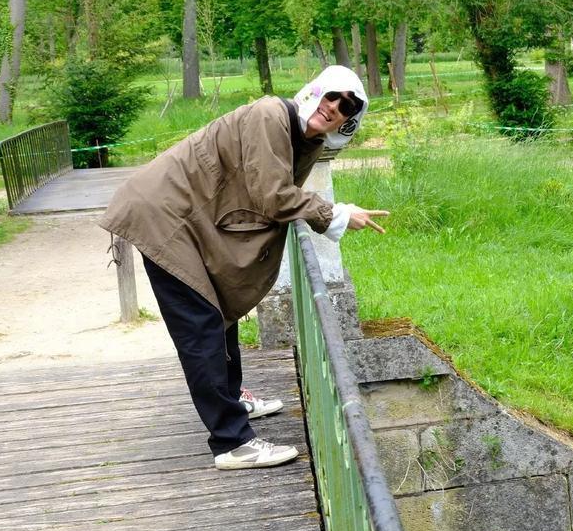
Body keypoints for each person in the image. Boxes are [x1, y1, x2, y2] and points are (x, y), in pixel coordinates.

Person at [100, 66, 388, 470]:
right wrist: (334, 214)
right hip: (164, 217)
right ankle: (232, 441)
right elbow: (272, 197)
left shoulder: (305, 139)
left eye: (347, 107)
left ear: (349, 120)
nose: (334, 108)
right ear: (315, 92)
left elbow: (269, 193)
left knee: (219, 312)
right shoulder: (271, 115)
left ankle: (232, 402)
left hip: (189, 218)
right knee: (200, 326)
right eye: (332, 96)